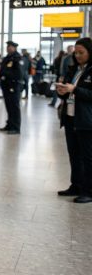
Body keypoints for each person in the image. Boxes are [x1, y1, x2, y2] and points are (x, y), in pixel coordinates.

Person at [56, 38, 92, 203]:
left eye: (81, 52)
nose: (77, 55)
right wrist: (61, 90)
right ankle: (76, 185)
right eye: (76, 52)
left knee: (87, 157)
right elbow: (67, 91)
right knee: (74, 154)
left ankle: (88, 190)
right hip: (71, 117)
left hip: (86, 119)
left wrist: (75, 89)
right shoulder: (74, 69)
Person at [0, 41, 24, 135]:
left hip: (14, 86)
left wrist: (5, 74)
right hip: (6, 86)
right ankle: (9, 124)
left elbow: (19, 73)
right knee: (9, 106)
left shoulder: (17, 58)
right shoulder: (8, 57)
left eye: (9, 47)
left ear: (14, 48)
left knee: (14, 107)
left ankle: (16, 127)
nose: (8, 48)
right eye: (7, 46)